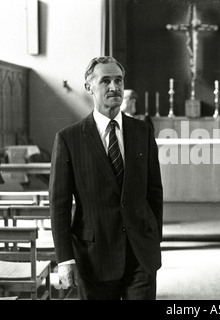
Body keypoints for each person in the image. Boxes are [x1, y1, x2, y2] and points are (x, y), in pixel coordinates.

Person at [49, 56, 163, 300]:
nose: (114, 87)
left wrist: (154, 238)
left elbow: (154, 192)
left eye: (119, 80)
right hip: (94, 257)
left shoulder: (142, 131)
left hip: (140, 254)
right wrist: (65, 259)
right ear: (89, 87)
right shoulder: (69, 139)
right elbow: (59, 205)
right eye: (106, 81)